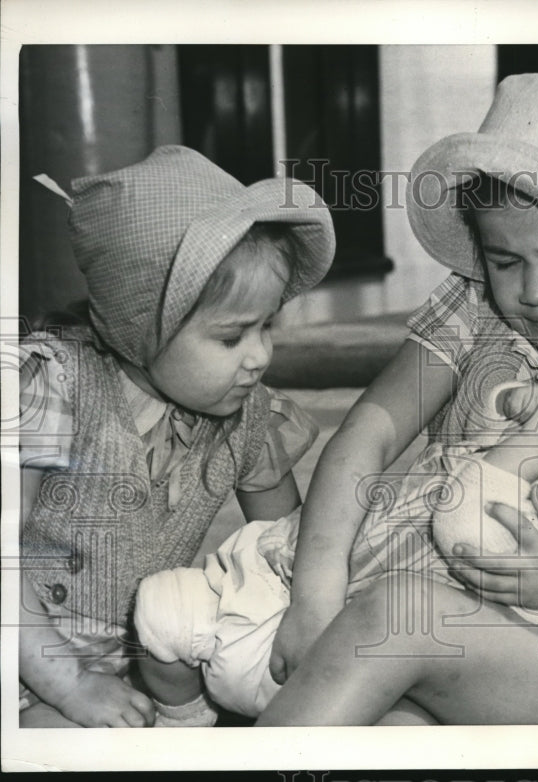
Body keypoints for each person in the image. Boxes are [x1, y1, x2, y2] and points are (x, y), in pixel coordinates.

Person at [268, 70, 538, 684]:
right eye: (504, 260)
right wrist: (314, 597)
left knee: (397, 629)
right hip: (397, 597)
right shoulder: (475, 308)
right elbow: (368, 435)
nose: (533, 292)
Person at [134, 376, 538, 721]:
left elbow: (467, 528)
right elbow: (370, 435)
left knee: (402, 619)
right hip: (431, 650)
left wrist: (523, 452)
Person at [17, 145, 335, 728]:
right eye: (231, 337)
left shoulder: (248, 417)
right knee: (48, 743)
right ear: (143, 329)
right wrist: (66, 687)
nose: (260, 356)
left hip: (144, 656)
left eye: (268, 326)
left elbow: (285, 548)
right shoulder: (50, 385)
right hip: (28, 655)